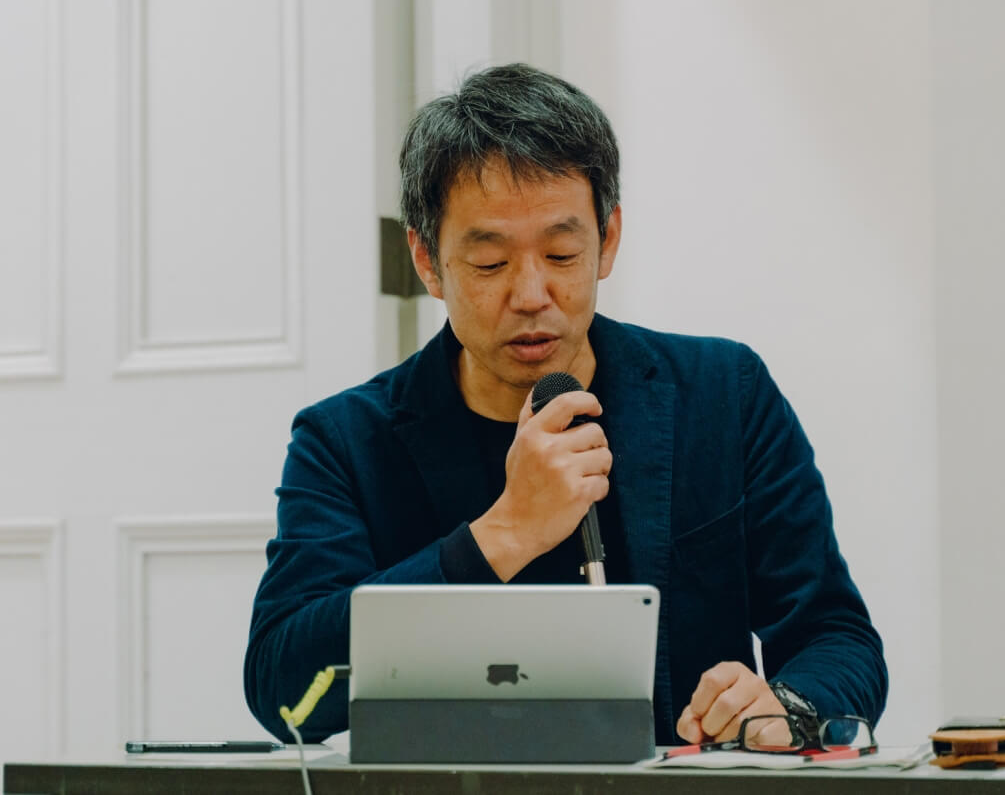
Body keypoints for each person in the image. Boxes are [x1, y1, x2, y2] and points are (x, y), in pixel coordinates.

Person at [244, 64, 887, 746]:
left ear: (607, 241)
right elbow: (284, 690)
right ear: (427, 261)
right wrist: (506, 532)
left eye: (560, 253)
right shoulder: (344, 440)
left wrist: (786, 706)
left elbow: (835, 635)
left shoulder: (723, 394)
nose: (531, 295)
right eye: (490, 264)